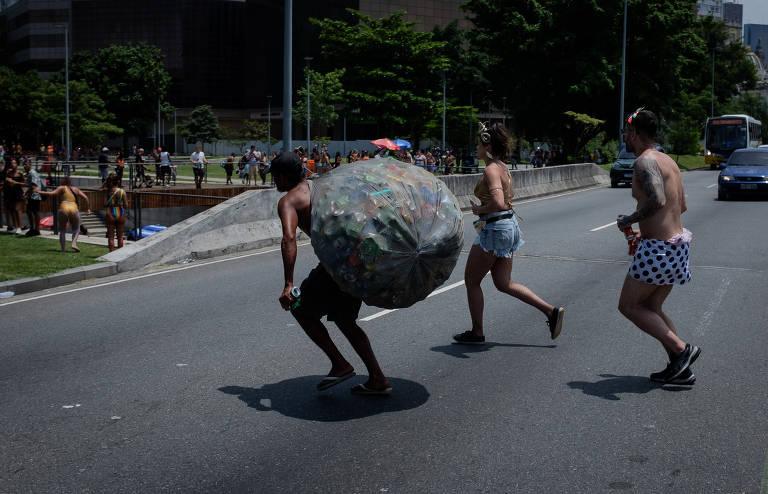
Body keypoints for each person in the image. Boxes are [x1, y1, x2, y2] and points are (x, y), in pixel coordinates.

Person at [273, 151, 391, 395]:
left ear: (284, 177)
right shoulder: (322, 188)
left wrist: (288, 284)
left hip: (336, 266)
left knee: (299, 308)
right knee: (345, 320)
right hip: (356, 262)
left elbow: (289, 239)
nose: (274, 182)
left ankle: (340, 364)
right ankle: (377, 378)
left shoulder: (289, 201)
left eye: (275, 176)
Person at [453, 122, 565, 345]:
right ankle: (550, 311)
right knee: (504, 283)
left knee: (471, 281)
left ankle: (477, 332)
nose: (475, 147)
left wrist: (479, 210)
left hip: (495, 229)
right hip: (507, 227)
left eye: (478, 143)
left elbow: (498, 202)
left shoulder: (491, 169)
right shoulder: (502, 167)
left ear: (487, 144)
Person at [616, 108, 699, 385]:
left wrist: (629, 220)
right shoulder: (668, 161)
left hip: (658, 250)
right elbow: (681, 206)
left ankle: (682, 350)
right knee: (652, 307)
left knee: (628, 306)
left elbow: (657, 201)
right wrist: (644, 229)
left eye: (627, 133)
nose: (626, 139)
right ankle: (680, 369)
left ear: (634, 133)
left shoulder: (644, 161)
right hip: (677, 246)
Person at [39, 176, 90, 252]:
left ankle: (63, 249)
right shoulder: (75, 189)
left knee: (62, 230)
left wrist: (39, 192)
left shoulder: (62, 188)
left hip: (63, 207)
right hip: (74, 208)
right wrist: (87, 208)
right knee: (76, 229)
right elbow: (86, 198)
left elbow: (51, 193)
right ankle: (73, 243)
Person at [103, 172, 127, 252]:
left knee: (111, 236)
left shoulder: (108, 191)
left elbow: (104, 204)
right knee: (120, 236)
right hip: (120, 212)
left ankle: (111, 253)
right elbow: (126, 205)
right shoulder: (122, 191)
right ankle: (120, 254)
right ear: (118, 181)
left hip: (110, 213)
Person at [2, 158, 24, 233]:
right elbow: (6, 180)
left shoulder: (20, 173)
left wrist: (16, 183)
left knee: (17, 210)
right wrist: (8, 180)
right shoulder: (9, 172)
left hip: (18, 193)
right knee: (12, 210)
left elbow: (25, 183)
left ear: (17, 164)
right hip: (11, 193)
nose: (13, 164)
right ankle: (15, 226)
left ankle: (20, 227)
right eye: (12, 163)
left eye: (14, 163)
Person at [23, 158, 43, 236]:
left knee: (35, 212)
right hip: (32, 195)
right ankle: (32, 228)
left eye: (26, 164)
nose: (24, 166)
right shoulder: (29, 173)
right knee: (29, 211)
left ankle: (36, 229)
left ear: (30, 164)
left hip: (35, 195)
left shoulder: (32, 173)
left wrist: (26, 193)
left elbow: (34, 185)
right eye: (24, 164)